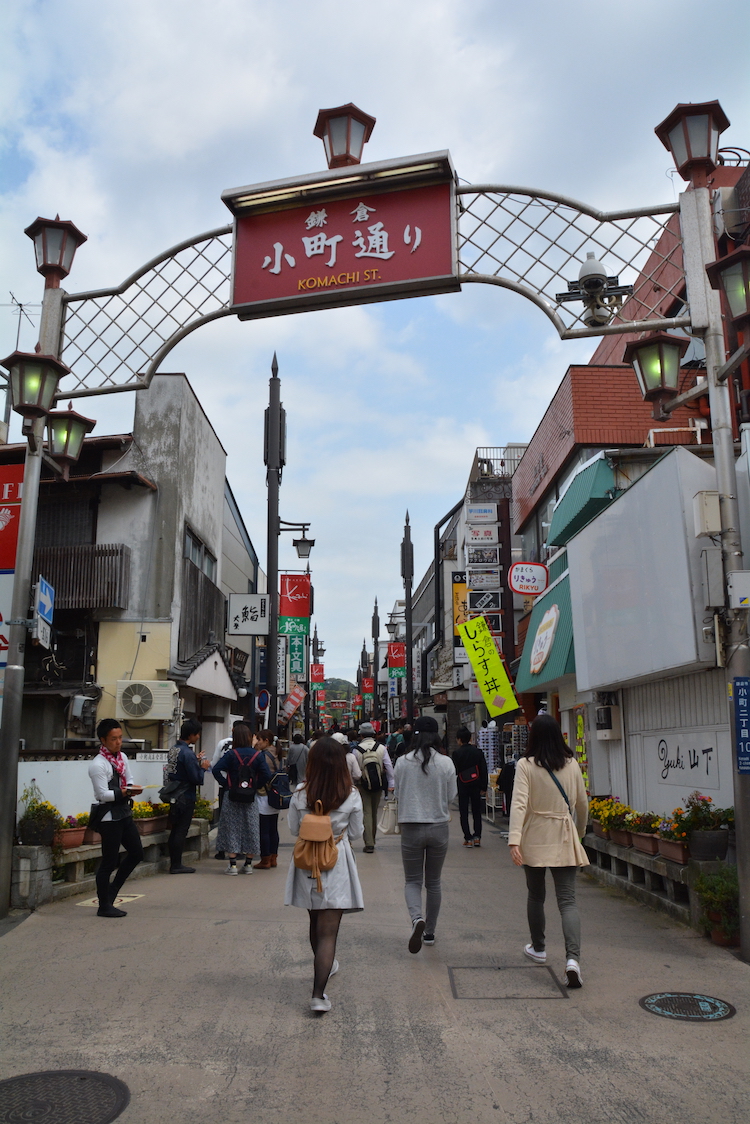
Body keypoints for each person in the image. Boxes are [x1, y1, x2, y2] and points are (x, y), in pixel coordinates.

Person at [508, 714, 589, 989]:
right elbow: (582, 804)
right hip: (564, 835)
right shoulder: (572, 764)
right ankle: (573, 961)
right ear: (559, 736)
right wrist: (580, 833)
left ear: (533, 737)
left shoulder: (525, 765)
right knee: (567, 900)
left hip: (534, 836)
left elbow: (519, 804)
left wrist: (514, 840)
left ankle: (539, 948)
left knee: (536, 894)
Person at [284, 736, 364, 1013]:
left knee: (314, 920)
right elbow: (356, 833)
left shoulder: (300, 792)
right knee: (329, 932)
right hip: (337, 859)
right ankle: (318, 995)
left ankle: (324, 967)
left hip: (307, 860)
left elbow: (294, 830)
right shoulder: (351, 793)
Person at [394, 716, 457, 952]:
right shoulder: (446, 763)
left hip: (410, 826)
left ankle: (416, 919)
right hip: (439, 827)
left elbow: (398, 792)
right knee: (434, 882)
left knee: (412, 881)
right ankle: (429, 932)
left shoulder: (402, 762)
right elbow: (451, 796)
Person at [88, 719, 144, 918]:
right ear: (103, 740)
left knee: (137, 852)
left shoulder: (121, 757)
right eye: (113, 739)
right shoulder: (98, 764)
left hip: (124, 812)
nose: (118, 742)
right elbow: (102, 794)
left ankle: (112, 892)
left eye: (120, 738)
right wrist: (125, 792)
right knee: (109, 862)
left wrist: (131, 788)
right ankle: (104, 905)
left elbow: (128, 779)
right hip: (108, 817)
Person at [212, 723, 271, 874]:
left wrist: (226, 784)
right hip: (250, 796)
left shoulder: (231, 754)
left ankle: (232, 865)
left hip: (232, 795)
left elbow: (216, 769)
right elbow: (266, 774)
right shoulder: (257, 755)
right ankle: (249, 864)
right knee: (250, 827)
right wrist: (256, 786)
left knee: (231, 827)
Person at [165, 717, 211, 873]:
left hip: (173, 794)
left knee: (175, 829)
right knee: (181, 830)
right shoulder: (188, 753)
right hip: (185, 796)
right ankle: (176, 865)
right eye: (197, 734)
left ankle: (174, 863)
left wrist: (195, 761)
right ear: (191, 735)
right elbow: (196, 778)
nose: (198, 737)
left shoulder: (174, 749)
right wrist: (203, 767)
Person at [354, 721, 394, 853]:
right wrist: (391, 783)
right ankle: (373, 839)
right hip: (379, 784)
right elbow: (388, 766)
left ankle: (369, 843)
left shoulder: (357, 750)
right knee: (374, 812)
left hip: (363, 785)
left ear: (361, 735)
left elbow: (355, 772)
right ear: (373, 734)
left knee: (366, 812)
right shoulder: (381, 748)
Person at [211, 720, 246, 859]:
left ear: (233, 729)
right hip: (244, 788)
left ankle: (222, 850)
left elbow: (214, 765)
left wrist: (224, 782)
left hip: (225, 786)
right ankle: (239, 849)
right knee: (241, 818)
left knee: (224, 818)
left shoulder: (223, 743)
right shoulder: (248, 747)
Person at [452, 726, 488, 847]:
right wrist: (484, 786)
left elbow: (455, 771)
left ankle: (468, 838)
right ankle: (477, 836)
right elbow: (483, 769)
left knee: (464, 812)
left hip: (463, 784)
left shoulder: (456, 753)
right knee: (476, 811)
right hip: (476, 784)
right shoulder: (478, 752)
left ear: (459, 740)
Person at [253, 729, 283, 869]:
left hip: (264, 794)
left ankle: (265, 859)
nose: (257, 742)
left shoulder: (263, 756)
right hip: (276, 795)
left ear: (266, 741)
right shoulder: (277, 753)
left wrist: (257, 785)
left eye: (259, 739)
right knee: (273, 829)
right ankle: (273, 857)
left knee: (264, 829)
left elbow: (263, 774)